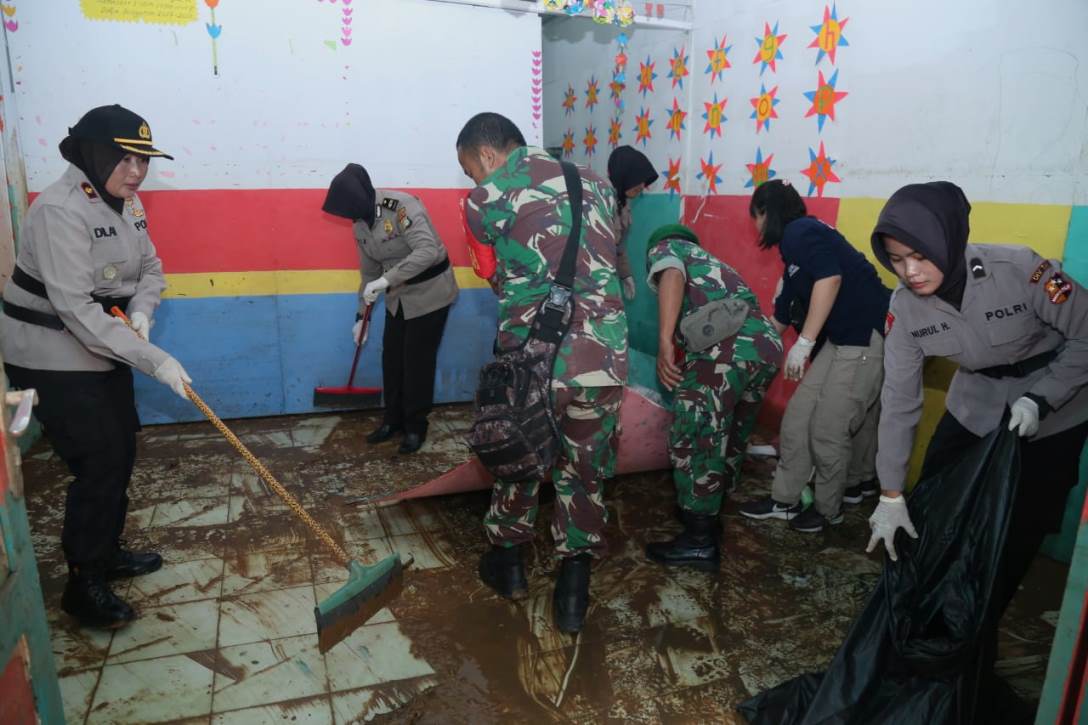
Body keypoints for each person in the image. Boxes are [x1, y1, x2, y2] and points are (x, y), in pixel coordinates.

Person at [0, 104, 191, 629]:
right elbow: (77, 311)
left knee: (123, 445)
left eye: (143, 160)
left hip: (105, 341)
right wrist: (154, 359)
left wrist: (142, 313)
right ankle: (83, 581)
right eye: (124, 158)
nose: (136, 171)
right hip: (50, 350)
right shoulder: (60, 209)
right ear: (93, 152)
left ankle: (106, 551)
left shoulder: (127, 203)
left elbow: (150, 266)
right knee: (100, 458)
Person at [865, 181, 1087, 601]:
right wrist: (890, 493)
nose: (909, 272)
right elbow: (899, 400)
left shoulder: (1021, 269)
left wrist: (1043, 396)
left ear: (947, 237)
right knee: (934, 507)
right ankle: (926, 608)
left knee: (1019, 526)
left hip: (1055, 409)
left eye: (919, 255)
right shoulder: (905, 309)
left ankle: (986, 614)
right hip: (975, 406)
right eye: (896, 260)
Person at [458, 112, 627, 634]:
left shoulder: (485, 200)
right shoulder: (598, 183)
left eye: (472, 169)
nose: (474, 181)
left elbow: (490, 268)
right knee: (586, 470)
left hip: (535, 358)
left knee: (519, 452)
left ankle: (508, 566)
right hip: (604, 357)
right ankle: (573, 592)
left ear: (488, 155)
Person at [739, 180, 891, 533]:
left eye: (756, 217)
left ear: (766, 211)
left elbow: (830, 278)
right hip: (838, 341)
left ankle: (827, 509)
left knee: (828, 429)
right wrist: (744, 353)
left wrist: (804, 342)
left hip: (862, 337)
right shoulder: (792, 252)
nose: (756, 226)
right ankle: (784, 500)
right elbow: (778, 318)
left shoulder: (800, 231)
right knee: (796, 419)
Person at [641, 224, 781, 570]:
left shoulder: (667, 248)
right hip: (765, 348)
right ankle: (710, 515)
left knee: (695, 436)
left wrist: (664, 343)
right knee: (732, 435)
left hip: (727, 353)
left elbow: (671, 274)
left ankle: (699, 542)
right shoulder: (713, 263)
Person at [322, 163, 459, 454]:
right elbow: (369, 273)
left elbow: (428, 251)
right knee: (392, 359)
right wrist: (362, 316)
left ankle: (415, 427)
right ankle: (392, 420)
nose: (350, 217)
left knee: (417, 363)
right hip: (398, 297)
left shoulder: (401, 208)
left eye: (351, 210)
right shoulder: (360, 223)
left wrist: (386, 279)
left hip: (431, 292)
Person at [607, 145, 659, 301]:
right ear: (623, 175)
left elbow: (619, 247)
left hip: (608, 276)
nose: (642, 185)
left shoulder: (623, 205)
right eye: (637, 178)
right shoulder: (598, 203)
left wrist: (625, 274)